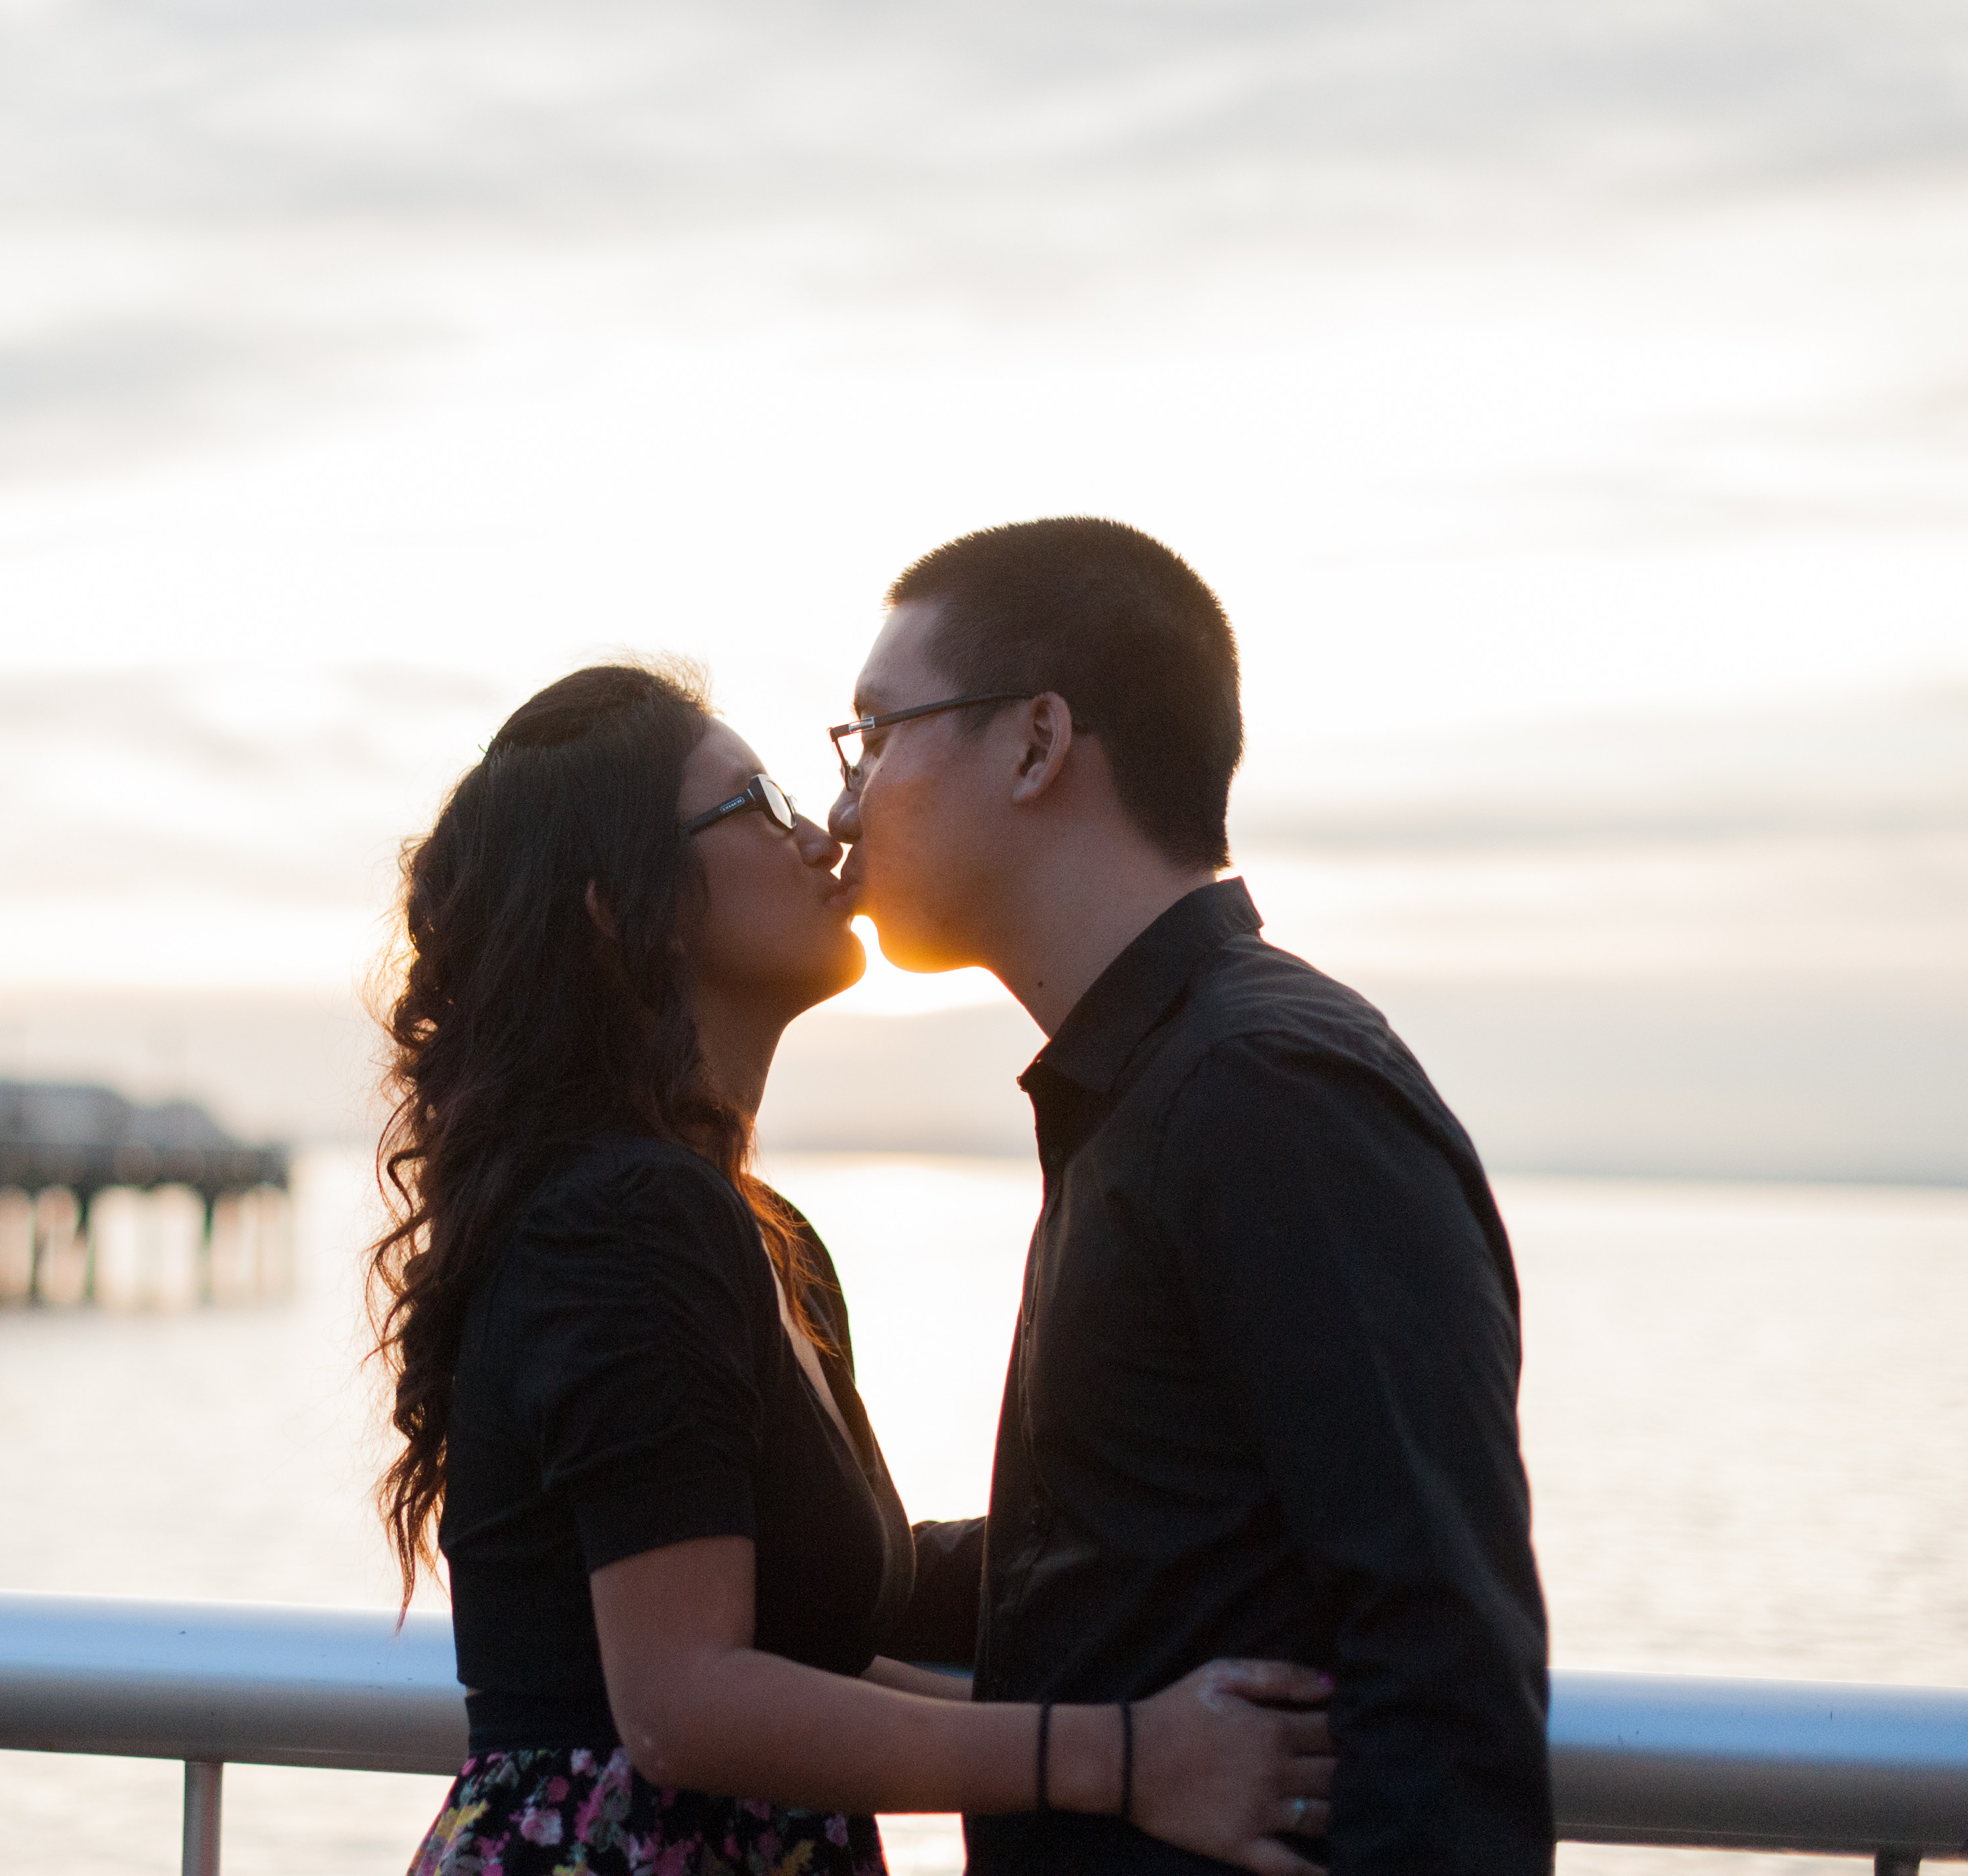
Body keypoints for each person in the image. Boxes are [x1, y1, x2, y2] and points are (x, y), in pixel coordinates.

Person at [372, 662, 1341, 1876]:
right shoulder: (625, 1219)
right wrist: (1127, 1758)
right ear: (622, 909)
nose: (826, 834)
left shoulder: (755, 1232)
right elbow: (686, 1705)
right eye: (758, 804)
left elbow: (805, 1669)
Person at [827, 519, 1553, 1875]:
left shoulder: (1267, 1093)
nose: (845, 804)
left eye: (875, 735)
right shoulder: (1158, 1087)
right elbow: (1147, 1550)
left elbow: (1439, 1646)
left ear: (1038, 743)